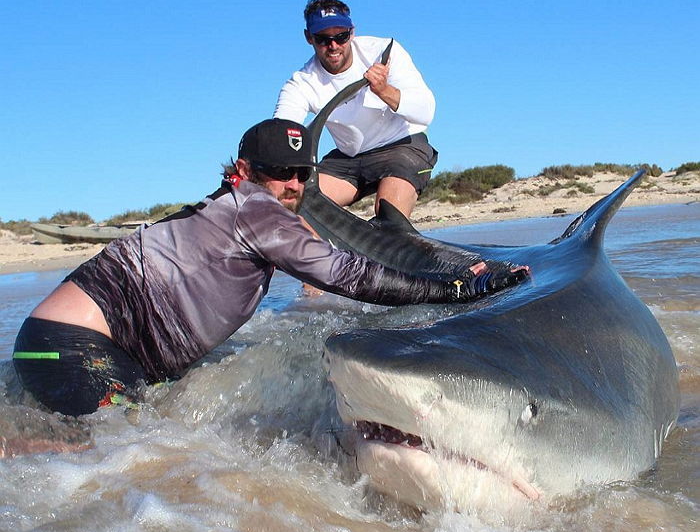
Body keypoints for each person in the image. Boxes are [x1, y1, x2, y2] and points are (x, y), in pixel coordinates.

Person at [12, 119, 528, 418]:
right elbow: (353, 277)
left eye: (301, 173)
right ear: (244, 171)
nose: (292, 185)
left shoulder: (230, 208)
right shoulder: (254, 209)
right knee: (115, 456)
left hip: (56, 346)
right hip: (71, 349)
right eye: (279, 172)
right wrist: (459, 287)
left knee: (138, 443)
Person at [274, 0, 436, 219]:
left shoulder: (383, 51)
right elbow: (280, 133)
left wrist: (384, 91)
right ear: (308, 38)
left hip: (402, 146)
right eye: (323, 39)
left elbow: (425, 112)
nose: (333, 46)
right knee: (294, 208)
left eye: (341, 36)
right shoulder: (301, 83)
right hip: (349, 159)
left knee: (389, 217)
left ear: (352, 32)